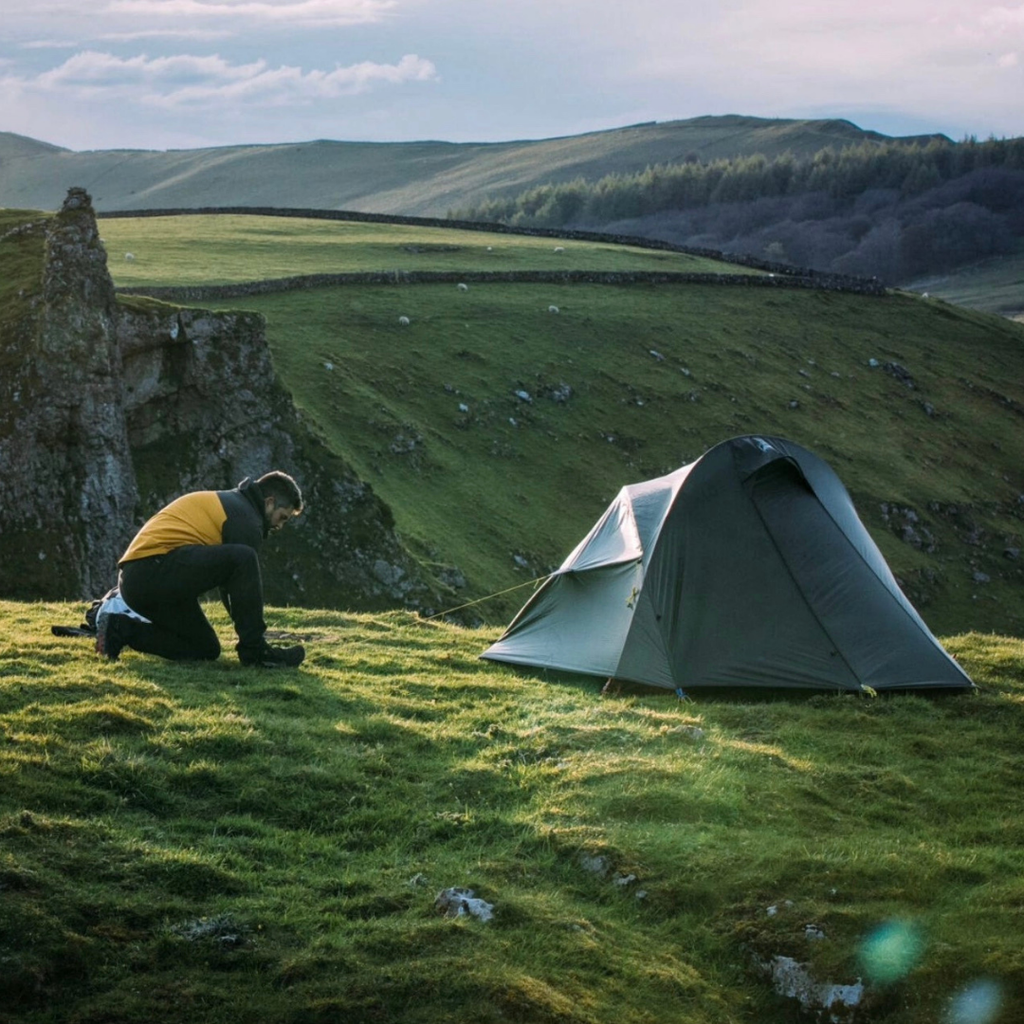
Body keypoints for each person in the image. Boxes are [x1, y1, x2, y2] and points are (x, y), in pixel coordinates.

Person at [95, 471, 306, 667]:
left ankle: (119, 628)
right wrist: (253, 641)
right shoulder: (245, 518)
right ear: (269, 503)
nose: (279, 526)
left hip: (140, 581)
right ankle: (257, 652)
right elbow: (240, 581)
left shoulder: (234, 505)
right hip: (150, 571)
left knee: (205, 648)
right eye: (282, 517)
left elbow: (234, 587)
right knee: (245, 557)